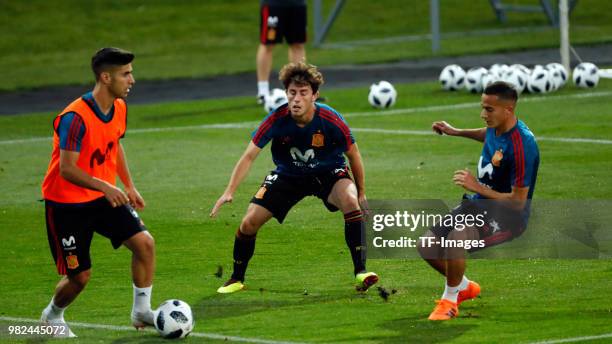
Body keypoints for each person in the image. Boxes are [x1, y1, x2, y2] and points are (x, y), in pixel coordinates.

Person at [211, 61, 378, 293]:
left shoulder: (331, 120)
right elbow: (249, 156)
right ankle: (236, 278)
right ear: (286, 93)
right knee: (249, 222)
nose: (296, 99)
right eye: (292, 93)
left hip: (327, 173)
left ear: (315, 95)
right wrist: (229, 191)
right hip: (288, 175)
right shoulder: (276, 118)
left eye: (303, 93)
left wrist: (361, 192)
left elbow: (354, 155)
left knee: (350, 201)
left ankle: (361, 272)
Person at [40, 47, 156, 336]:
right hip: (66, 205)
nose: (132, 80)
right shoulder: (74, 118)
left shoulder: (119, 108)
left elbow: (114, 145)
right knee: (79, 277)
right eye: (125, 74)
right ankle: (51, 316)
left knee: (145, 244)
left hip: (102, 198)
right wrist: (106, 185)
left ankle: (142, 310)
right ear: (106, 77)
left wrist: (128, 185)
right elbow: (67, 168)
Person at [419, 81, 539, 321]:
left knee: (456, 238)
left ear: (509, 110)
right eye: (482, 108)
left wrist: (478, 187)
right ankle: (463, 286)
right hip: (478, 204)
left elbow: (518, 202)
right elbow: (487, 136)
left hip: (508, 217)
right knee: (427, 245)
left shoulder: (523, 146)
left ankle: (449, 301)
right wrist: (456, 131)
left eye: (489, 110)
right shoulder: (497, 128)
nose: (483, 114)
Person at [256, 0, 307, 104]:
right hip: (273, 4)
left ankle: (300, 88)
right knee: (268, 44)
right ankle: (263, 92)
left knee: (298, 44)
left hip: (297, 4)